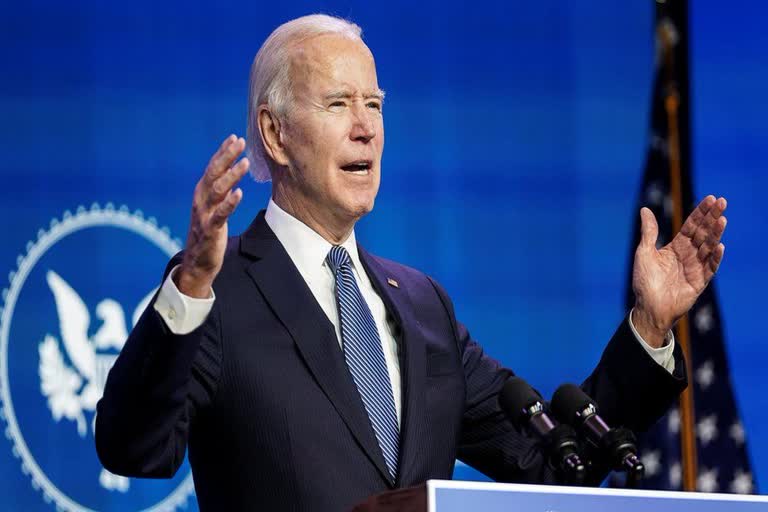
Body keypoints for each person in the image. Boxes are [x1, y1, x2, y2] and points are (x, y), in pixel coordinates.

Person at [95, 14, 728, 512]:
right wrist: (191, 287)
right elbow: (133, 448)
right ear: (275, 133)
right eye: (339, 104)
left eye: (375, 104)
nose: (366, 127)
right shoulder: (219, 288)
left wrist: (648, 327)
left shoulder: (422, 305)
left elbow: (551, 463)